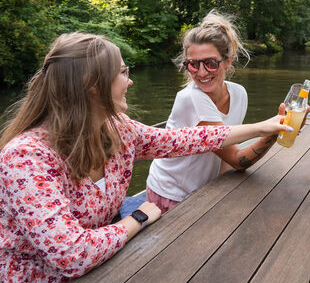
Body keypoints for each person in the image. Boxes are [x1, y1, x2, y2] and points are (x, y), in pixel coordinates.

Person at [0, 32, 290, 282]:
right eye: (123, 73)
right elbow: (71, 255)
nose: (130, 82)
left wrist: (264, 126)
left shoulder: (118, 131)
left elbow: (186, 139)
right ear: (92, 85)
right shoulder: (26, 157)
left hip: (104, 267)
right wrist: (137, 217)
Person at [146, 11, 298, 213]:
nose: (201, 73)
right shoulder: (191, 98)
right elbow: (237, 159)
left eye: (210, 63)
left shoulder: (239, 93)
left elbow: (228, 161)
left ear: (227, 61)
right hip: (171, 195)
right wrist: (270, 130)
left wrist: (222, 195)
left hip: (202, 189)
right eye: (193, 64)